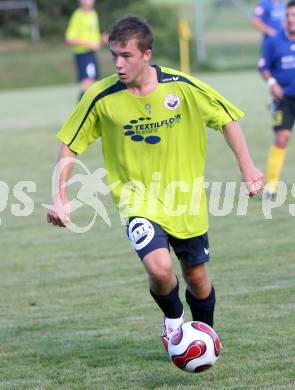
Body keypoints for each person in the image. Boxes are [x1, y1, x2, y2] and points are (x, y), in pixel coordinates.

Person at [48, 16, 264, 350]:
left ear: (147, 54)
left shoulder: (182, 87)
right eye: (114, 55)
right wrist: (60, 197)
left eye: (126, 56)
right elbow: (70, 145)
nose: (118, 64)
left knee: (197, 277)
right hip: (138, 202)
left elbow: (227, 119)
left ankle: (204, 337)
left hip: (186, 202)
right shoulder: (101, 97)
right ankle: (175, 323)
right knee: (161, 269)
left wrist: (248, 168)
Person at [258, 0, 295, 199]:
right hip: (285, 100)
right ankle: (271, 187)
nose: (291, 20)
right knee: (282, 138)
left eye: (294, 16)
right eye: (288, 16)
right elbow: (263, 67)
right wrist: (272, 83)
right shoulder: (274, 41)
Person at [65, 0, 107, 100]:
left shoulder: (93, 13)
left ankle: (89, 110)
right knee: (88, 83)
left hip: (91, 54)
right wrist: (90, 44)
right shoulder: (78, 15)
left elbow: (93, 37)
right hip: (83, 54)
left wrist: (102, 39)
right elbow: (70, 39)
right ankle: (80, 110)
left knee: (95, 84)